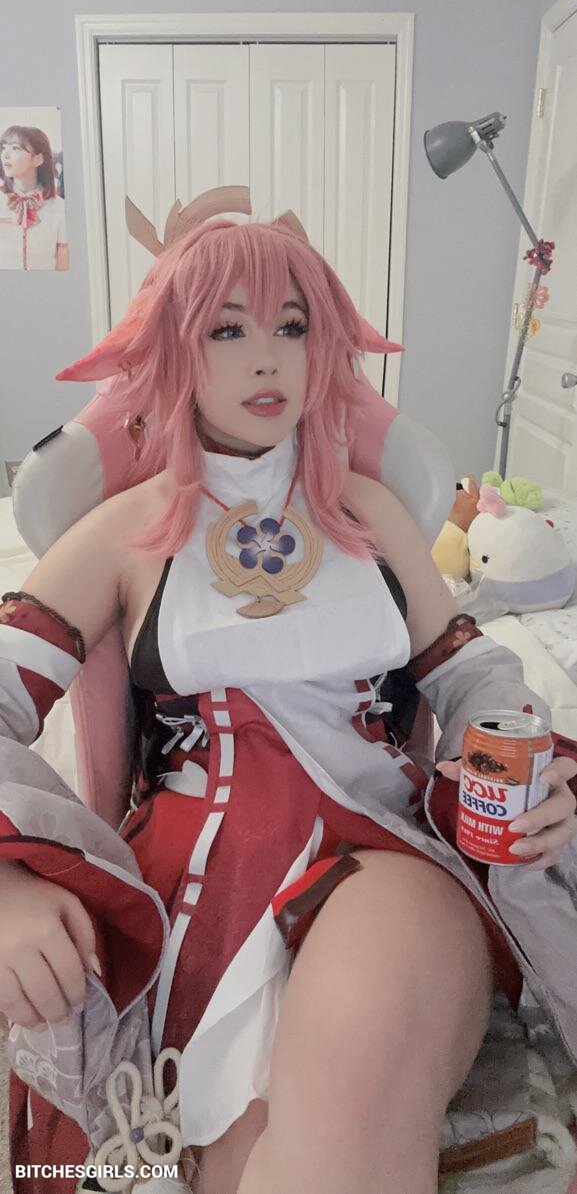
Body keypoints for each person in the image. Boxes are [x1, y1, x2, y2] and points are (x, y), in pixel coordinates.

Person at [1, 211, 577, 1194]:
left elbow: (469, 671)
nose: (267, 357)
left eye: (293, 325)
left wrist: (520, 763)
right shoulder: (123, 530)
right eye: (226, 328)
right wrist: (9, 876)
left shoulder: (369, 510)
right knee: (230, 1161)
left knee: (352, 1095)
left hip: (383, 856)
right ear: (173, 350)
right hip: (189, 902)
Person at [0, 125, 69, 270]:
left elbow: (63, 266)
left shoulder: (61, 208)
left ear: (38, 159)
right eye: (3, 148)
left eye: (15, 148)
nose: (5, 155)